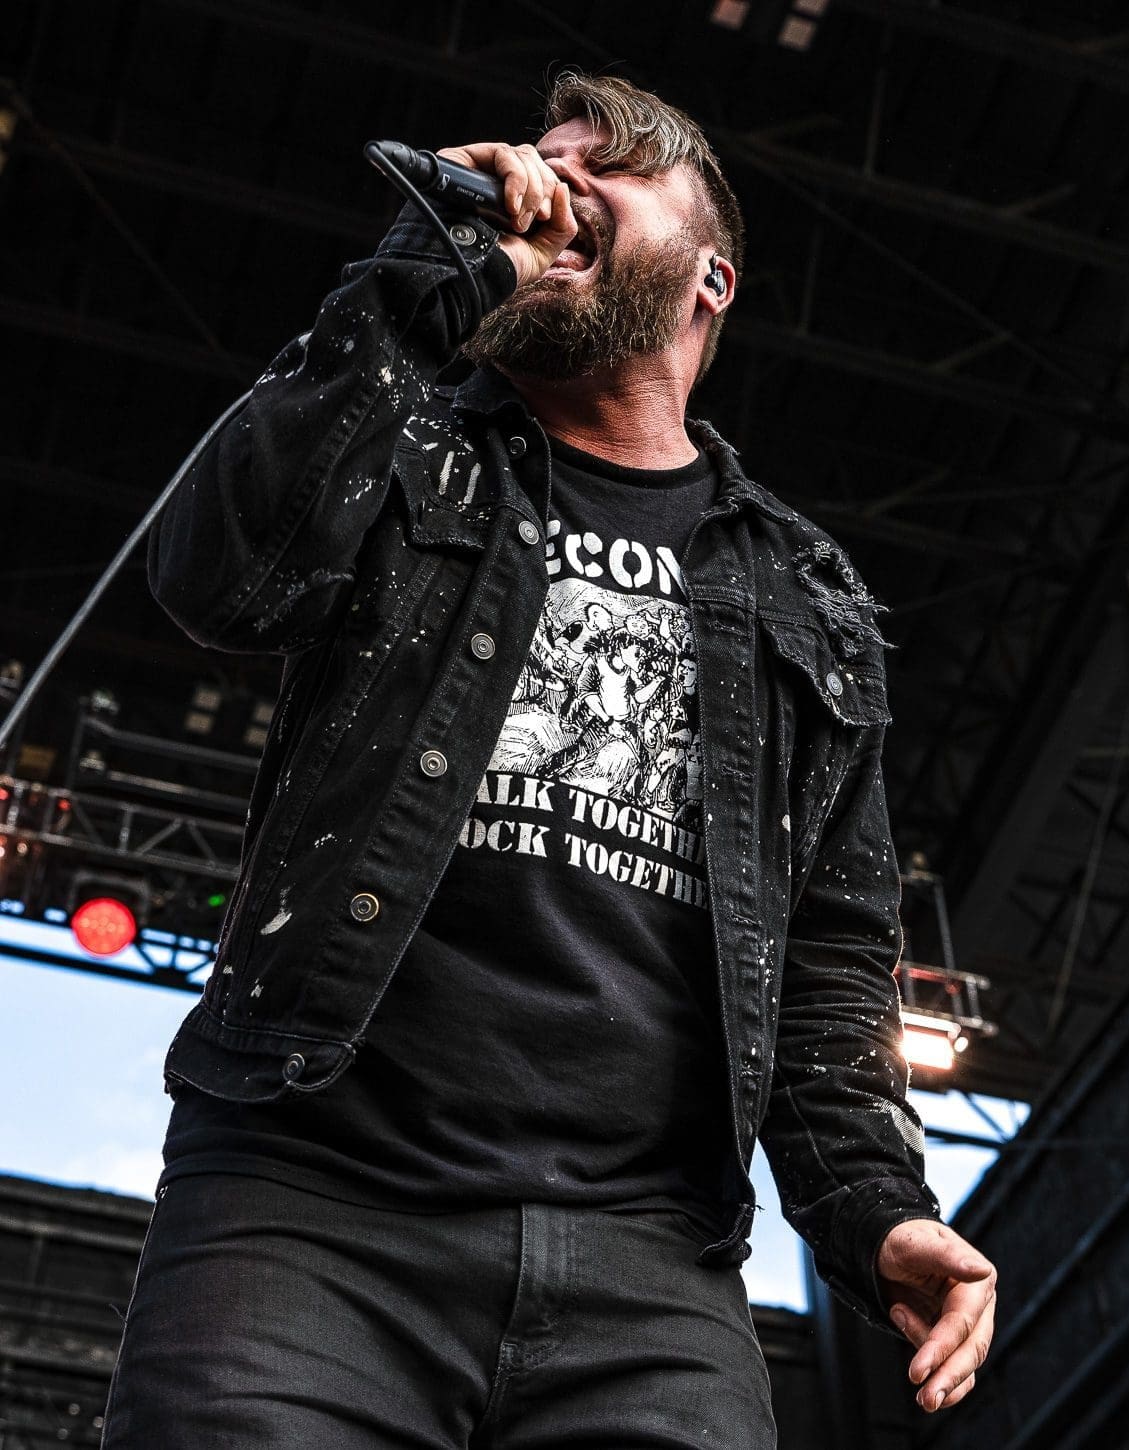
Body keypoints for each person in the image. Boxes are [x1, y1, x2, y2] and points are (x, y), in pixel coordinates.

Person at [102, 71, 996, 1448]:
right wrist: (422, 270)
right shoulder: (409, 452)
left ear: (710, 281)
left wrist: (881, 1207)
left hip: (649, 1277)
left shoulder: (807, 599)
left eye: (607, 172)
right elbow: (222, 576)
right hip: (309, 1217)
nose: (552, 180)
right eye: (541, 159)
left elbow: (824, 971)